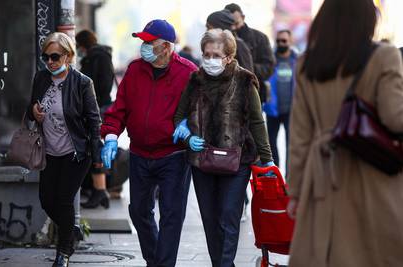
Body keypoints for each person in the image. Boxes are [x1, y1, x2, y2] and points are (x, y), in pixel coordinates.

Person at [286, 0, 403, 266]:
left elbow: (300, 136)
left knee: (330, 252)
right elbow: (395, 117)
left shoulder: (306, 64)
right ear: (367, 20)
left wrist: (295, 192)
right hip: (373, 174)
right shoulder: (384, 56)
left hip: (324, 178)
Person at [173, 29, 274, 267]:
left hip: (237, 159)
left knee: (229, 216)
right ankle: (221, 263)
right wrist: (187, 137)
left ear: (229, 56)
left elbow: (257, 121)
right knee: (209, 219)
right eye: (206, 54)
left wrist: (267, 159)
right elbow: (179, 115)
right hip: (202, 159)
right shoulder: (195, 80)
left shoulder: (245, 80)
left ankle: (224, 263)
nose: (210, 60)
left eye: (215, 55)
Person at [100, 19, 197, 267]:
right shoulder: (134, 70)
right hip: (140, 154)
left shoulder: (188, 73)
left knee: (171, 215)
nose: (143, 46)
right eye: (142, 41)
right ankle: (155, 260)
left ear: (166, 46)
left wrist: (189, 124)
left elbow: (201, 110)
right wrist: (110, 136)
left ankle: (162, 264)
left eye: (148, 42)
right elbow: (118, 109)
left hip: (173, 155)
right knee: (139, 211)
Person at [28, 32, 102, 267]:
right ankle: (71, 229)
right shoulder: (40, 78)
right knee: (46, 200)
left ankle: (63, 253)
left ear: (68, 56)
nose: (49, 62)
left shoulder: (82, 83)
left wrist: (97, 156)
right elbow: (30, 109)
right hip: (49, 152)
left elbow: (94, 120)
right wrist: (34, 113)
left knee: (63, 200)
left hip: (75, 153)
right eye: (46, 57)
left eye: (55, 57)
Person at [75, 29, 115, 209]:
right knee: (95, 145)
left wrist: (92, 102)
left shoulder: (97, 56)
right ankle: (100, 191)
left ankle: (100, 190)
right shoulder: (101, 55)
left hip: (97, 108)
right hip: (98, 106)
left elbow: (98, 84)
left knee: (96, 146)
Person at [225, 3, 275, 102]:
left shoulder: (260, 38)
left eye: (236, 23)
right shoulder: (223, 39)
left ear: (243, 17)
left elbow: (269, 67)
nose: (234, 28)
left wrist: (247, 68)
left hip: (254, 95)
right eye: (230, 24)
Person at [263, 29, 297, 168]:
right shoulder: (270, 61)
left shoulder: (298, 61)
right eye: (278, 41)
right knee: (271, 143)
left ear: (290, 41)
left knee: (291, 145)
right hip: (272, 109)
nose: (280, 43)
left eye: (284, 40)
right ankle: (276, 173)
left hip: (292, 110)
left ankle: (289, 177)